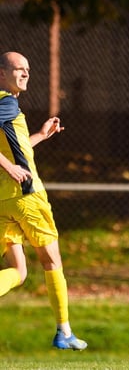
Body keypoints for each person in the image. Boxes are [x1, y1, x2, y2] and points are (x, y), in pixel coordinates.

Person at [0, 51, 87, 350]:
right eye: (18, 69)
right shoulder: (5, 101)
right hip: (27, 196)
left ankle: (65, 332)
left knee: (19, 273)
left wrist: (39, 135)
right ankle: (64, 331)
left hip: (3, 202)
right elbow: (12, 161)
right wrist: (10, 167)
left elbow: (17, 149)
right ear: (1, 73)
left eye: (27, 69)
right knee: (52, 262)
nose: (25, 73)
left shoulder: (8, 106)